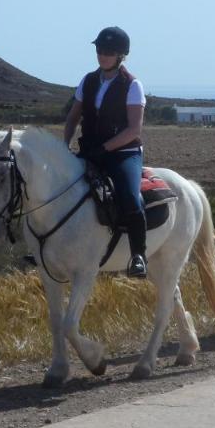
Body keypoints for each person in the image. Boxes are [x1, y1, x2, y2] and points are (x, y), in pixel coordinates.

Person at [63, 26, 148, 278]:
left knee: (131, 198)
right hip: (90, 151)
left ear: (121, 55)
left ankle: (138, 256)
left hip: (124, 154)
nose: (102, 55)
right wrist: (64, 146)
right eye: (99, 49)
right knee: (59, 188)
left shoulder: (133, 85)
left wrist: (105, 149)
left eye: (108, 51)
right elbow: (72, 118)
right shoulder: (88, 81)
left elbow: (134, 129)